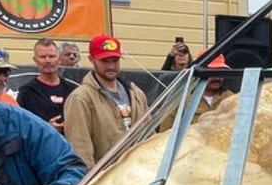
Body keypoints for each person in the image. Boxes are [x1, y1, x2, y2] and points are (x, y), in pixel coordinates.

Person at [64, 34, 149, 167]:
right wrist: (90, 184)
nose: (111, 66)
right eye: (105, 61)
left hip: (139, 175)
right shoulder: (80, 98)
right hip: (106, 180)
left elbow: (149, 134)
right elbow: (80, 149)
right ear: (91, 60)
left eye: (115, 60)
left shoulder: (136, 93)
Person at [159, 53, 231, 131]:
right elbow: (165, 131)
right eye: (212, 72)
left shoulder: (231, 99)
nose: (217, 77)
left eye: (220, 72)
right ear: (200, 72)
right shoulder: (181, 98)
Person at [16, 38, 73, 133]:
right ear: (35, 60)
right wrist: (46, 128)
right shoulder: (27, 92)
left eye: (51, 56)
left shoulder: (72, 90)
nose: (48, 60)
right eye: (43, 57)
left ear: (59, 59)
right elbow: (22, 126)